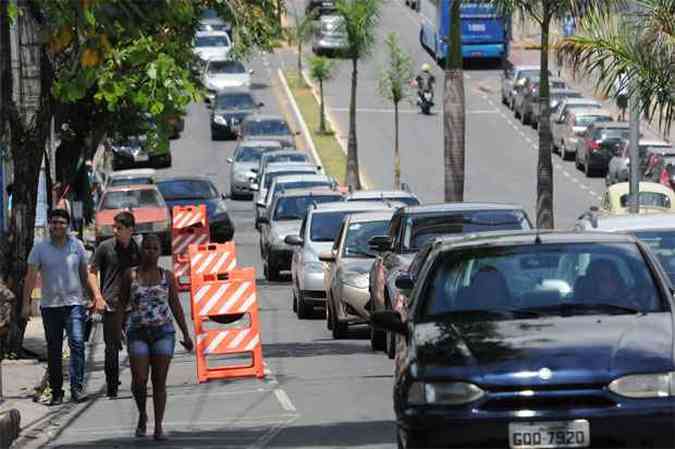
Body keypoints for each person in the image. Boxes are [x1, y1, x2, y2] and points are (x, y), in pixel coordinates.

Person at [118, 233, 193, 440]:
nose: (150, 252)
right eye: (147, 248)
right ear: (141, 251)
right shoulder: (130, 275)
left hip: (163, 333)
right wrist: (117, 331)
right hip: (138, 332)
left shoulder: (167, 276)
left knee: (159, 381)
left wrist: (186, 333)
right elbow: (121, 304)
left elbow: (175, 306)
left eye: (155, 249)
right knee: (140, 379)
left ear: (160, 252)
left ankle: (159, 426)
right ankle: (142, 413)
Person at [23, 208, 95, 405]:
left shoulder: (77, 246)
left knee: (78, 344)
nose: (57, 226)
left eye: (61, 222)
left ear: (67, 225)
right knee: (54, 350)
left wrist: (93, 297)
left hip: (74, 305)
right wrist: (25, 304)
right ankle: (56, 391)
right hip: (50, 307)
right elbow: (30, 277)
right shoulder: (40, 248)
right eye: (54, 222)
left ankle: (77, 388)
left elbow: (84, 274)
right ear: (49, 225)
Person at [87, 211, 141, 399]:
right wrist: (97, 297)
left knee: (136, 346)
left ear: (130, 230)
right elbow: (92, 272)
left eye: (120, 228)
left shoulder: (137, 249)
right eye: (115, 227)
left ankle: (139, 382)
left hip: (132, 306)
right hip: (110, 305)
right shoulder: (104, 248)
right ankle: (112, 385)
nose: (115, 231)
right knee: (111, 348)